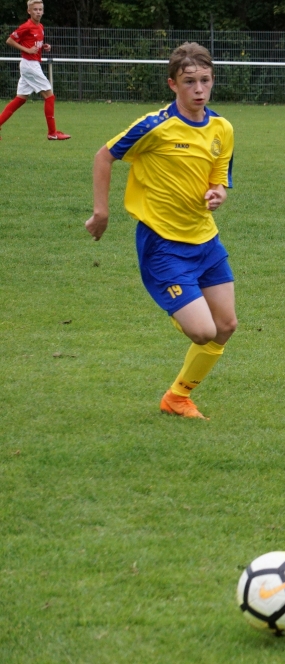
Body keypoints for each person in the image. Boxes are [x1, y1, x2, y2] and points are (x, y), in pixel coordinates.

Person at [85, 42, 236, 420]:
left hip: (206, 240)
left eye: (205, 80)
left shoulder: (222, 128)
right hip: (163, 244)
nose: (199, 89)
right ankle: (182, 310)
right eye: (189, 82)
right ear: (173, 84)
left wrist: (218, 193)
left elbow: (219, 179)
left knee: (226, 325)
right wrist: (101, 212)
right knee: (203, 331)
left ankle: (177, 397)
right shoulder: (155, 126)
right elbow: (104, 156)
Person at [0, 0, 70, 141]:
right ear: (29, 11)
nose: (38, 12)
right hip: (30, 65)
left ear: (43, 11)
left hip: (31, 64)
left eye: (40, 9)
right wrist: (26, 50)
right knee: (49, 96)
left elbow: (34, 43)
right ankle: (52, 133)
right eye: (35, 9)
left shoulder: (40, 26)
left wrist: (43, 46)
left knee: (20, 99)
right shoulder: (26, 26)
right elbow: (9, 40)